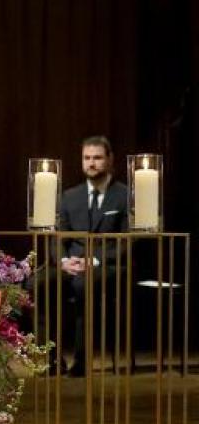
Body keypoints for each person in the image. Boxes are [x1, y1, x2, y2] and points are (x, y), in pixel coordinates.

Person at [54, 135, 129, 377]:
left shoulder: (125, 195)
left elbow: (129, 241)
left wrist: (94, 261)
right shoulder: (69, 196)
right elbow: (58, 236)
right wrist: (64, 261)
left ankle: (81, 361)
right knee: (37, 283)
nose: (91, 163)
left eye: (97, 157)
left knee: (83, 284)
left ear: (109, 160)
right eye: (87, 158)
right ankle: (50, 360)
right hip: (71, 263)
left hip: (108, 264)